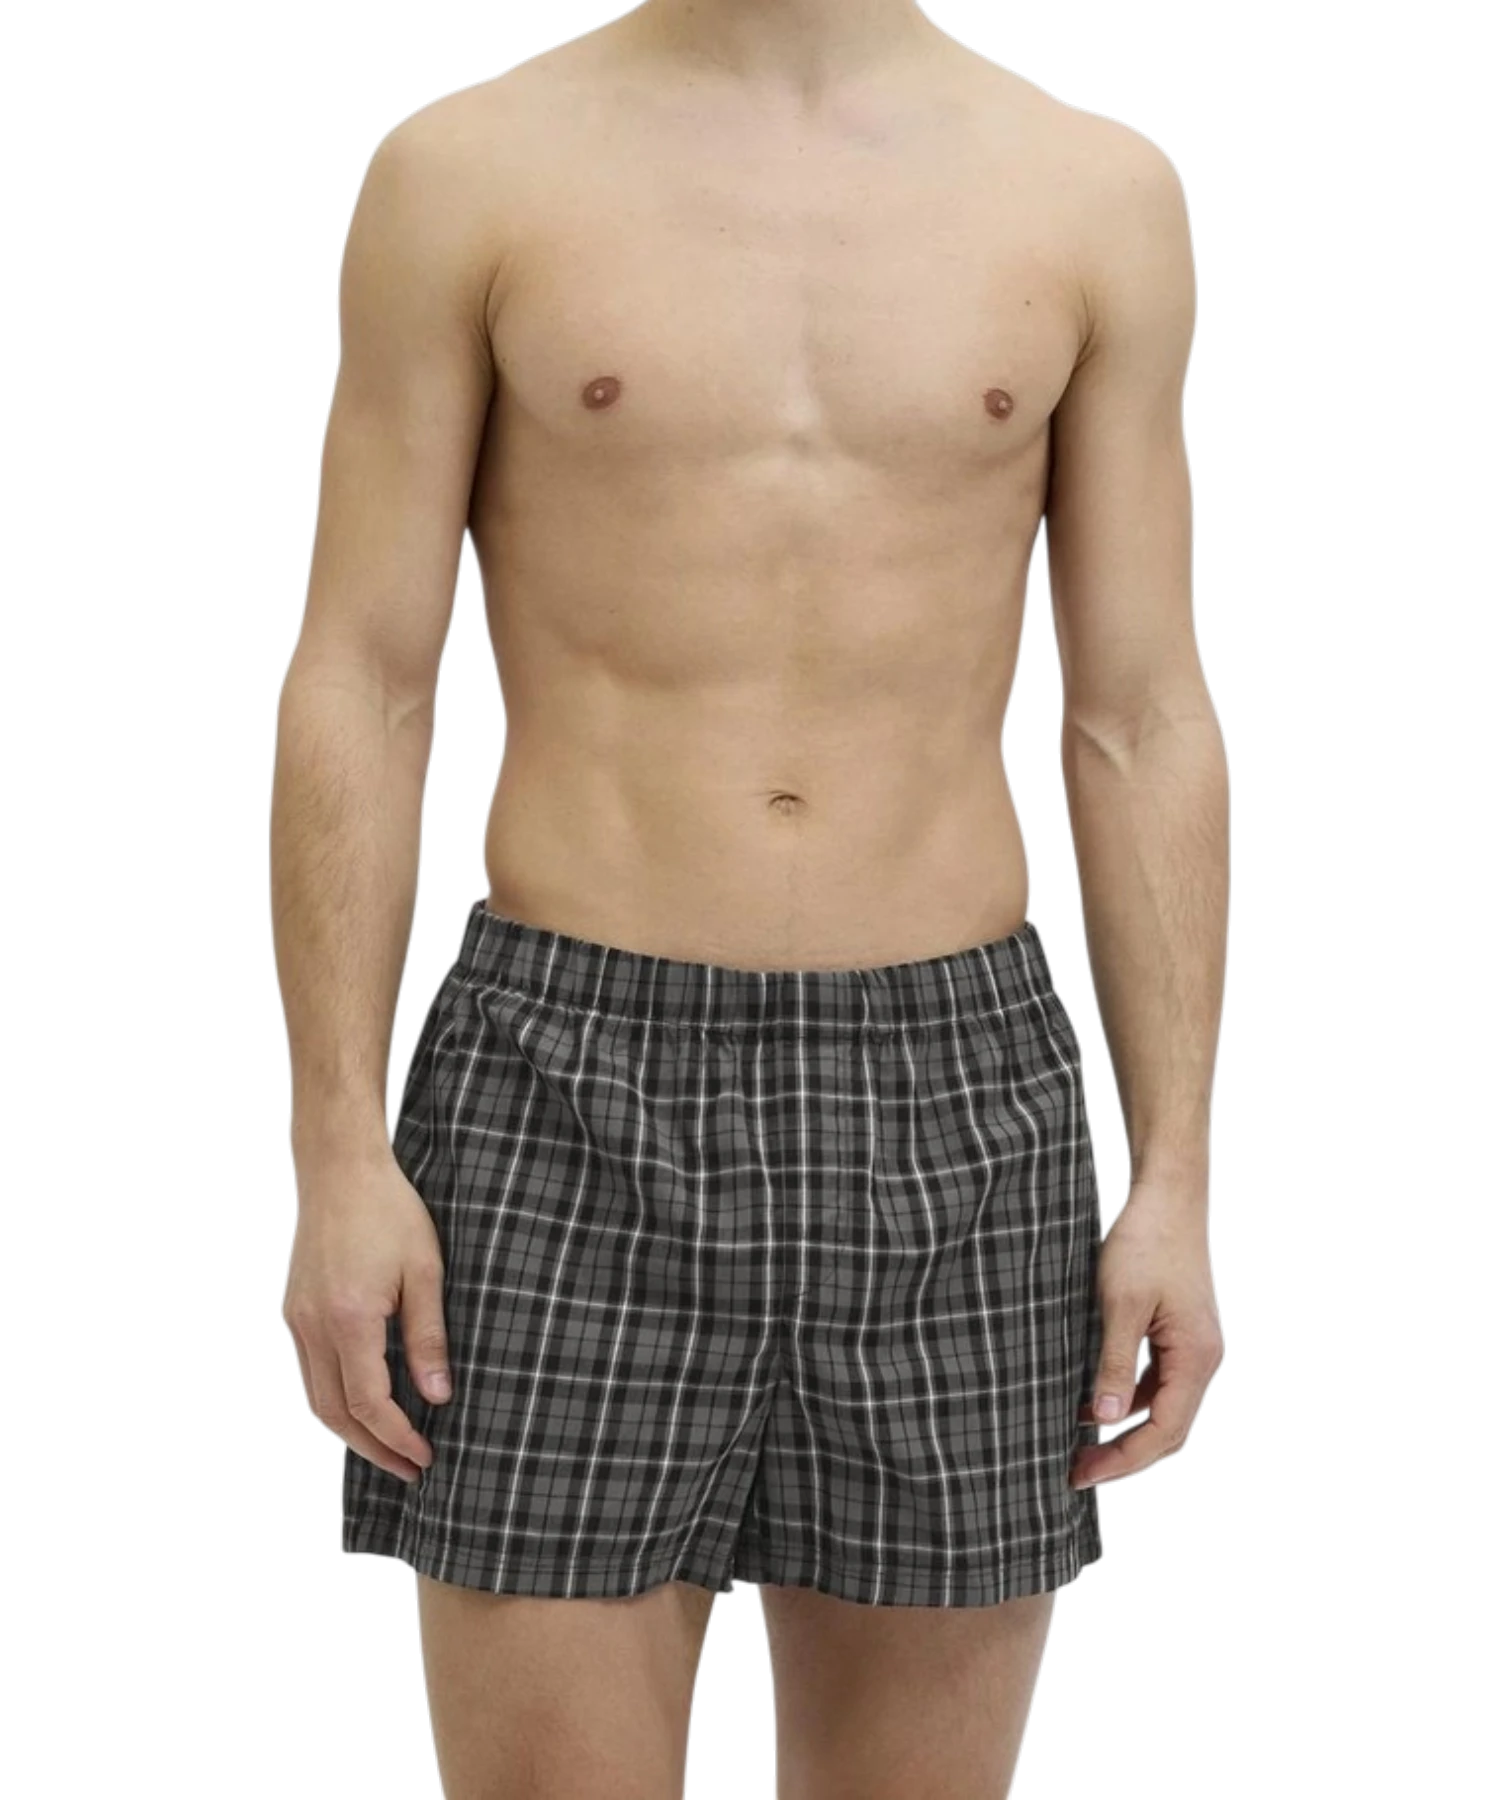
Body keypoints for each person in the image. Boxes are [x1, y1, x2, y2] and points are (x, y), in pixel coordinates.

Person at [272, 3, 1229, 1794]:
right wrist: (336, 1145)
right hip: (565, 1077)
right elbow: (366, 673)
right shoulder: (467, 168)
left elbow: (1138, 708)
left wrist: (1175, 1176)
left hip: (960, 1094)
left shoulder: (1094, 189)